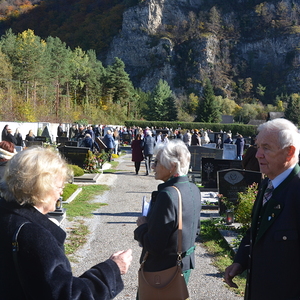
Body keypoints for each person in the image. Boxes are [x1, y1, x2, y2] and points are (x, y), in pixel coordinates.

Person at [0, 147, 132, 300]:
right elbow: (68, 295)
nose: (61, 193)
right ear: (41, 187)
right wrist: (112, 269)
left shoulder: (6, 216)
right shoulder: (34, 235)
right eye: (59, 187)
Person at [224, 118, 300, 300]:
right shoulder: (268, 184)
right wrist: (241, 261)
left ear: (289, 152)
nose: (258, 154)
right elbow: (257, 230)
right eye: (258, 146)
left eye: (266, 148)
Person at [134, 139, 201, 298]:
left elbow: (154, 245)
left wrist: (142, 226)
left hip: (163, 269)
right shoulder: (193, 188)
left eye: (156, 162)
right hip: (183, 265)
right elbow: (196, 229)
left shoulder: (168, 195)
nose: (153, 166)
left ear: (172, 166)